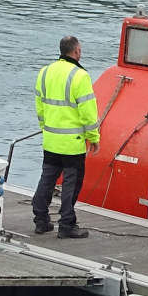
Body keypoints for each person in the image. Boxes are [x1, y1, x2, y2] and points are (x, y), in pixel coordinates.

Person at [32, 35, 100, 238]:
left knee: (47, 179)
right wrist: (93, 137)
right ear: (76, 51)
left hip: (51, 139)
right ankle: (67, 224)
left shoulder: (44, 72)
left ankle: (41, 220)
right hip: (73, 143)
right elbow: (87, 112)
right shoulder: (80, 76)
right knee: (71, 183)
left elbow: (40, 106)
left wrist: (45, 128)